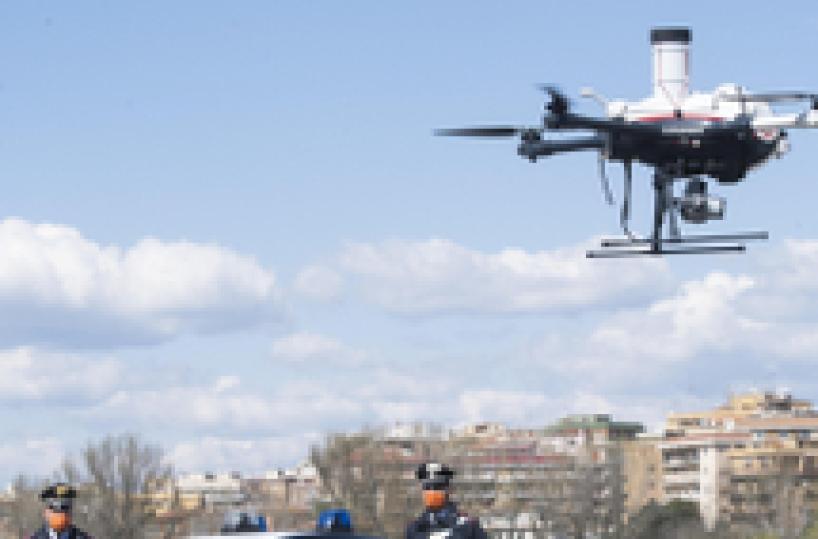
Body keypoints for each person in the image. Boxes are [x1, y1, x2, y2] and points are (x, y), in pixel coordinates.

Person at [405, 463, 487, 539]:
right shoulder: (415, 529)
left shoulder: (467, 525)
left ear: (448, 490)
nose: (432, 492)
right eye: (427, 488)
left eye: (437, 487)